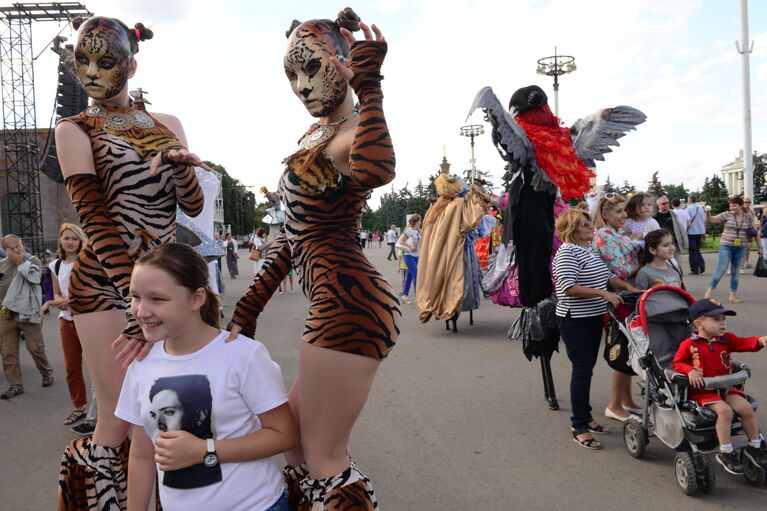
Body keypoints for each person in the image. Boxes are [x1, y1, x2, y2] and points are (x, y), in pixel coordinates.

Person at [228, 10, 399, 508]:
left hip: (348, 304)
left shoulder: (350, 131)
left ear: (343, 63)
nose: (302, 86)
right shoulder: (316, 137)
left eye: (312, 68)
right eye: (291, 74)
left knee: (323, 457)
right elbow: (292, 237)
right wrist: (249, 307)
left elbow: (378, 168)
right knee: (296, 448)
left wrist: (371, 91)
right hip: (335, 301)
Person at [55, 16, 207, 507]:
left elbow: (193, 207)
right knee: (120, 418)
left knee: (176, 412)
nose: (94, 73)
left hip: (168, 287)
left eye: (107, 61)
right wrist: (135, 302)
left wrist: (183, 172)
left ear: (132, 64)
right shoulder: (74, 128)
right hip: (104, 285)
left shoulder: (167, 125)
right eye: (84, 61)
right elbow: (94, 219)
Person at [115, 243, 295, 510]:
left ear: (197, 298)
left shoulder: (243, 355)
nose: (141, 311)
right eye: (136, 296)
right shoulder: (141, 363)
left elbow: (284, 434)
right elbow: (142, 455)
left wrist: (205, 451)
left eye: (157, 299)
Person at [553, 208, 639, 450]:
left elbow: (606, 275)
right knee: (582, 370)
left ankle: (586, 417)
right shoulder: (567, 253)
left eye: (589, 222)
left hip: (592, 316)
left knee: (587, 369)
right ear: (571, 230)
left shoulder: (587, 249)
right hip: (574, 320)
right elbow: (568, 288)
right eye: (584, 224)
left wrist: (626, 288)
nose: (591, 226)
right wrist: (604, 293)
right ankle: (578, 426)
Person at [672, 299, 766, 475]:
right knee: (725, 411)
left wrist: (760, 340)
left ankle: (754, 446)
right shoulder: (689, 344)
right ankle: (726, 451)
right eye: (716, 319)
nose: (723, 323)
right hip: (703, 391)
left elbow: (744, 343)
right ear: (699, 324)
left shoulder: (726, 340)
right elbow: (677, 362)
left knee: (746, 408)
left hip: (726, 387)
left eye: (723, 319)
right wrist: (690, 370)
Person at [592, 193, 643, 421]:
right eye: (619, 212)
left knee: (631, 348)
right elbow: (621, 270)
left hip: (628, 298)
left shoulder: (616, 234)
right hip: (617, 299)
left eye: (625, 211)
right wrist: (646, 262)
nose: (624, 215)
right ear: (605, 214)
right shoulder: (604, 235)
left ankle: (626, 399)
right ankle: (614, 404)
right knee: (623, 350)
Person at [40, 224, 90, 424]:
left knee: (98, 369)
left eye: (74, 238)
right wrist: (59, 299)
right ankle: (79, 407)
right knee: (72, 367)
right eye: (66, 238)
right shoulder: (55, 265)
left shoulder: (87, 262)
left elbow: (90, 291)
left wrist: (65, 301)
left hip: (88, 320)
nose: (70, 242)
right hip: (66, 322)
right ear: (60, 240)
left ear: (80, 241)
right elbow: (57, 291)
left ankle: (104, 410)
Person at [0, 235, 53, 399]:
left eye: (17, 246)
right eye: (10, 248)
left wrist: (18, 261)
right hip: (6, 314)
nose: (15, 250)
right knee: (8, 352)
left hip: (29, 312)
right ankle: (15, 385)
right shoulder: (1, 265)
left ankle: (46, 372)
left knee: (35, 347)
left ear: (22, 244)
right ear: (5, 250)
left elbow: (34, 279)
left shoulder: (33, 260)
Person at [704, 196, 764, 303]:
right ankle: (709, 291)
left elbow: (755, 233)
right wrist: (707, 213)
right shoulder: (726, 214)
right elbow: (711, 220)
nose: (732, 207)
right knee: (721, 268)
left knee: (735, 271)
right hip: (726, 246)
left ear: (740, 205)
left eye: (734, 205)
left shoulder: (748, 217)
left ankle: (733, 295)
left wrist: (760, 247)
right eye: (730, 205)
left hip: (741, 248)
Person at [398, 214, 421, 304]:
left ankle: (404, 296)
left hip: (416, 255)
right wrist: (410, 246)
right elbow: (401, 241)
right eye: (420, 220)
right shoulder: (409, 230)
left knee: (410, 277)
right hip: (408, 255)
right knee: (416, 274)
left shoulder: (418, 231)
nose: (420, 222)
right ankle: (419, 298)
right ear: (417, 221)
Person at [686, 194, 707, 274]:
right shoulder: (701, 209)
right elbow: (704, 220)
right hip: (700, 231)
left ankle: (695, 269)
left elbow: (686, 221)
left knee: (692, 251)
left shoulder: (688, 209)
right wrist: (704, 232)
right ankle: (701, 265)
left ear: (690, 200)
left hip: (691, 232)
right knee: (697, 249)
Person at [740, 197, 758, 271]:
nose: (747, 203)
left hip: (749, 232)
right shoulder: (741, 210)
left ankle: (746, 263)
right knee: (744, 248)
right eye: (745, 202)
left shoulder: (751, 211)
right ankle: (741, 265)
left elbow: (753, 221)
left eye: (749, 202)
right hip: (742, 231)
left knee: (748, 248)